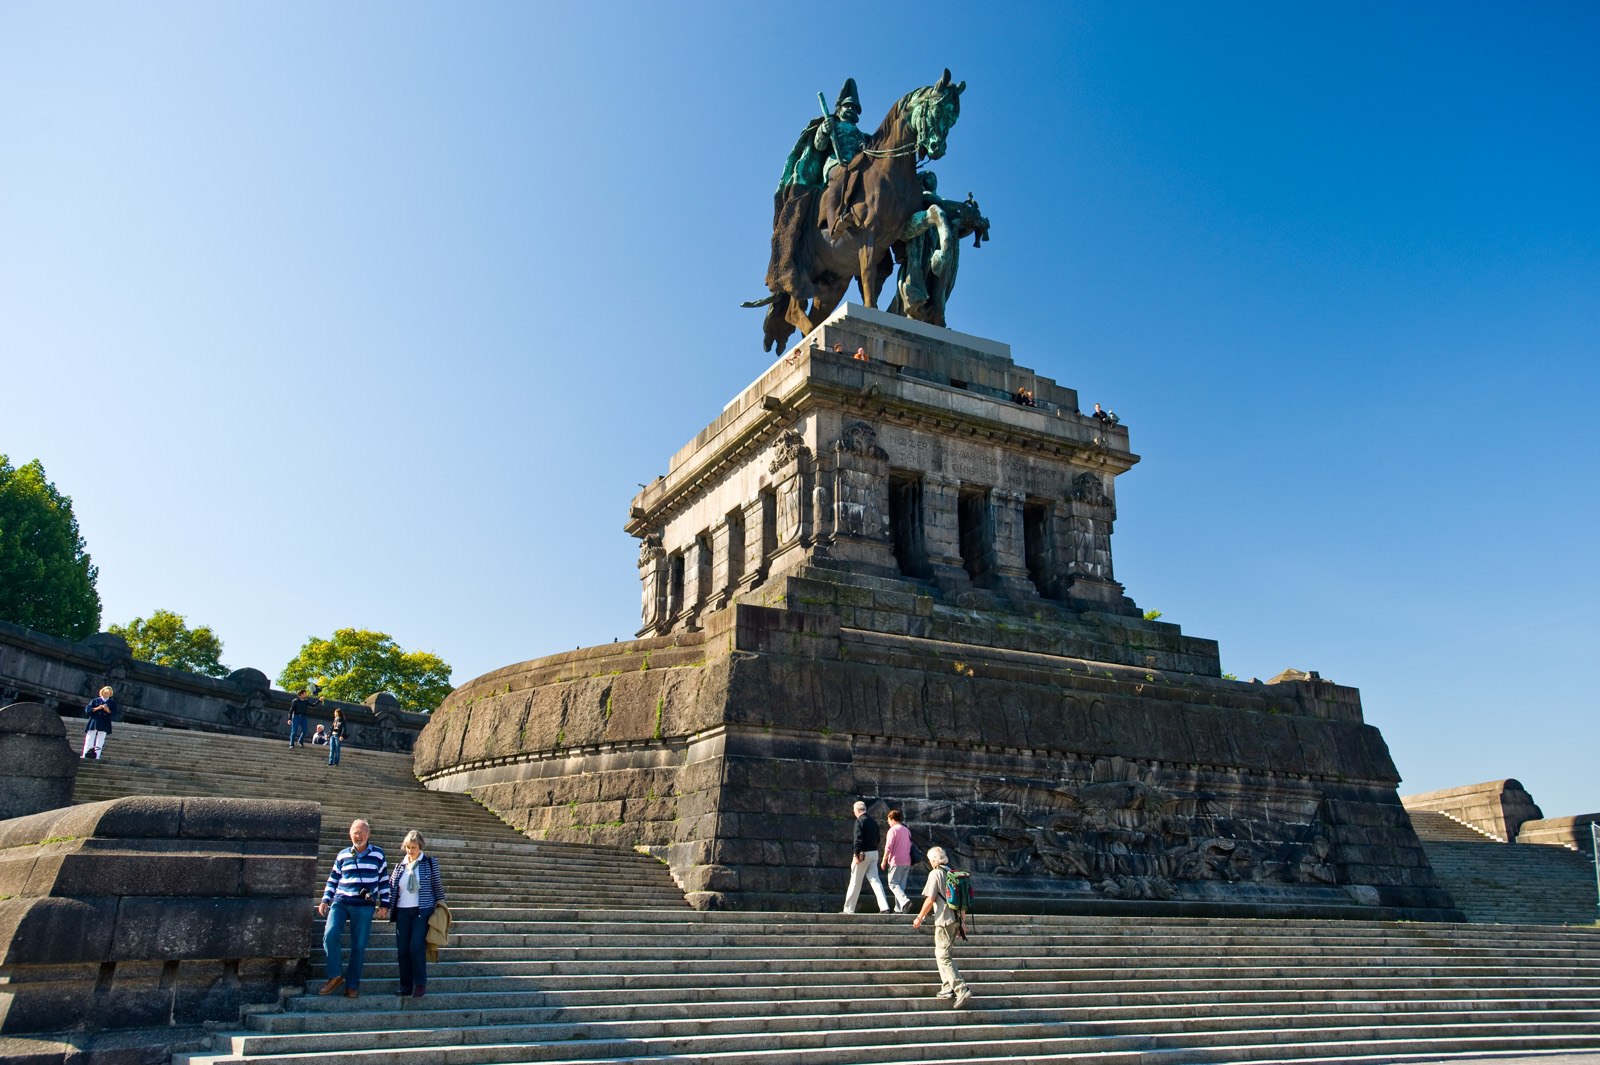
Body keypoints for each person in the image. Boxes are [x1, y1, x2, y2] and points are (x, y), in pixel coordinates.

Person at [317, 818, 390, 998]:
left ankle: (352, 984)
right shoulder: (343, 855)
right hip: (341, 901)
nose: (358, 836)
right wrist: (326, 899)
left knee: (359, 946)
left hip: (364, 905)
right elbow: (333, 878)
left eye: (362, 832)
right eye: (355, 833)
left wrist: (385, 904)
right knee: (330, 935)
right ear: (350, 834)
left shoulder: (378, 855)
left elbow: (384, 881)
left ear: (368, 834)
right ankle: (335, 975)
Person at [911, 845, 972, 1009]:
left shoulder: (935, 873)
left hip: (944, 919)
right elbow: (962, 901)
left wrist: (919, 917)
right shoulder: (953, 873)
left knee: (943, 955)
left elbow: (930, 899)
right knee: (944, 953)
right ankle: (947, 987)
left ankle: (961, 989)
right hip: (956, 919)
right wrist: (963, 923)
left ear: (932, 861)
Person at [387, 829, 446, 998]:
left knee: (416, 946)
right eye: (407, 847)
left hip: (422, 910)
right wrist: (384, 905)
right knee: (402, 949)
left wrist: (442, 906)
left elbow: (437, 886)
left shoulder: (429, 863)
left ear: (420, 847)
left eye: (413, 847)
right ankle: (405, 985)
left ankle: (420, 983)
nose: (410, 851)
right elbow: (392, 888)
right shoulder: (400, 866)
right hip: (402, 911)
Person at [843, 800, 891, 913]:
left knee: (855, 882)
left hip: (862, 854)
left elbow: (858, 839)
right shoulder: (873, 822)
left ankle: (849, 909)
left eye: (854, 811)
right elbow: (878, 839)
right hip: (874, 853)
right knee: (876, 881)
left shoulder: (859, 821)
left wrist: (856, 853)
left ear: (857, 810)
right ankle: (885, 907)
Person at [881, 808, 914, 913]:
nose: (888, 822)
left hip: (896, 860)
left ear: (892, 818)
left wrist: (884, 860)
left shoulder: (893, 830)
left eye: (888, 820)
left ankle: (905, 901)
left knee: (893, 884)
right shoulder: (906, 830)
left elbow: (888, 847)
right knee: (901, 886)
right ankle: (899, 909)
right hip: (907, 861)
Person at [80, 686, 116, 760]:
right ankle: (86, 753)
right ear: (102, 692)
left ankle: (97, 756)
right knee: (90, 737)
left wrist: (108, 710)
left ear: (110, 694)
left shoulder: (112, 702)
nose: (106, 694)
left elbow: (115, 714)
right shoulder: (95, 700)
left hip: (104, 722)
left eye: (108, 693)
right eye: (105, 692)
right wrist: (97, 708)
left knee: (101, 739)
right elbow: (87, 710)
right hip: (94, 721)